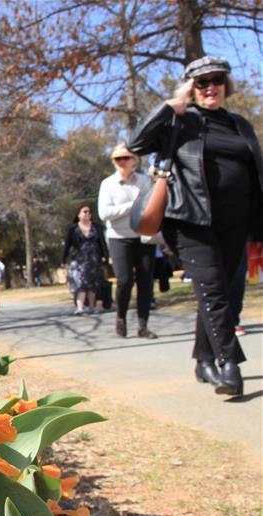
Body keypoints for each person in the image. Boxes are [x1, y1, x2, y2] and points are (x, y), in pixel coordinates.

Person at [128, 56, 263, 396]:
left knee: (222, 295)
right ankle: (230, 366)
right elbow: (136, 144)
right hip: (189, 220)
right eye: (202, 83)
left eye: (216, 81)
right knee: (214, 291)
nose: (210, 88)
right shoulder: (181, 121)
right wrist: (167, 108)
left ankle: (204, 359)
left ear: (225, 86)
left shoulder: (239, 125)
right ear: (192, 88)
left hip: (236, 223)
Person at [97, 143, 158, 338]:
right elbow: (104, 213)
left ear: (134, 160)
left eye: (126, 158)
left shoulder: (145, 181)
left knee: (145, 281)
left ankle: (143, 325)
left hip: (144, 236)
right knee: (124, 280)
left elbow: (153, 205)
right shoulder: (108, 184)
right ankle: (121, 317)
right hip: (119, 238)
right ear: (114, 162)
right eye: (118, 159)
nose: (122, 162)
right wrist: (132, 206)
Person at [62, 203, 108, 315]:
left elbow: (102, 243)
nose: (88, 214)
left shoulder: (97, 227)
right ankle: (80, 307)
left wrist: (106, 257)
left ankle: (91, 306)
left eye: (89, 212)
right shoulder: (73, 228)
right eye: (85, 211)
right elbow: (67, 245)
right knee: (80, 283)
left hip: (94, 259)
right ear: (79, 215)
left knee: (93, 283)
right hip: (78, 260)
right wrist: (63, 259)